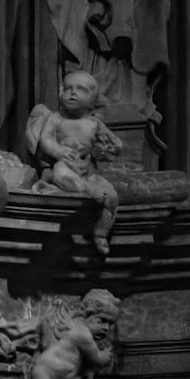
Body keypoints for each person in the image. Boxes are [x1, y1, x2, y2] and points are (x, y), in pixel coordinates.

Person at [25, 71, 124, 255]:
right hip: (65, 165)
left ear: (92, 99)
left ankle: (101, 233)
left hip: (88, 172)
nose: (72, 93)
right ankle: (85, 191)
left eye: (80, 89)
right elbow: (45, 139)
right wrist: (58, 151)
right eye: (68, 88)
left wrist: (112, 148)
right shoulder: (56, 119)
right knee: (60, 175)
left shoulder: (94, 123)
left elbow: (114, 143)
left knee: (111, 196)